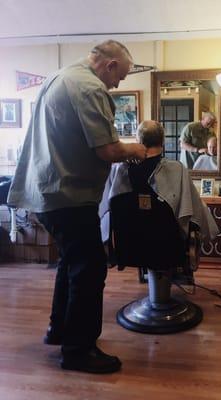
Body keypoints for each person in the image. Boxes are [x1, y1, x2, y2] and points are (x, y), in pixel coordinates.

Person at [7, 40, 147, 374]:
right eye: (120, 77)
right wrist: (136, 149)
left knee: (73, 263)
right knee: (90, 267)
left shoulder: (61, 76)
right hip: (67, 194)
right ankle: (78, 350)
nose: (117, 84)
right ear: (110, 65)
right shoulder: (88, 87)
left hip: (46, 191)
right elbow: (108, 150)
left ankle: (60, 330)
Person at [100, 120, 218, 245]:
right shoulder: (177, 170)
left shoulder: (118, 170)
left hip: (129, 248)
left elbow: (104, 211)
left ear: (138, 140)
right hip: (167, 249)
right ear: (163, 142)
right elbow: (197, 213)